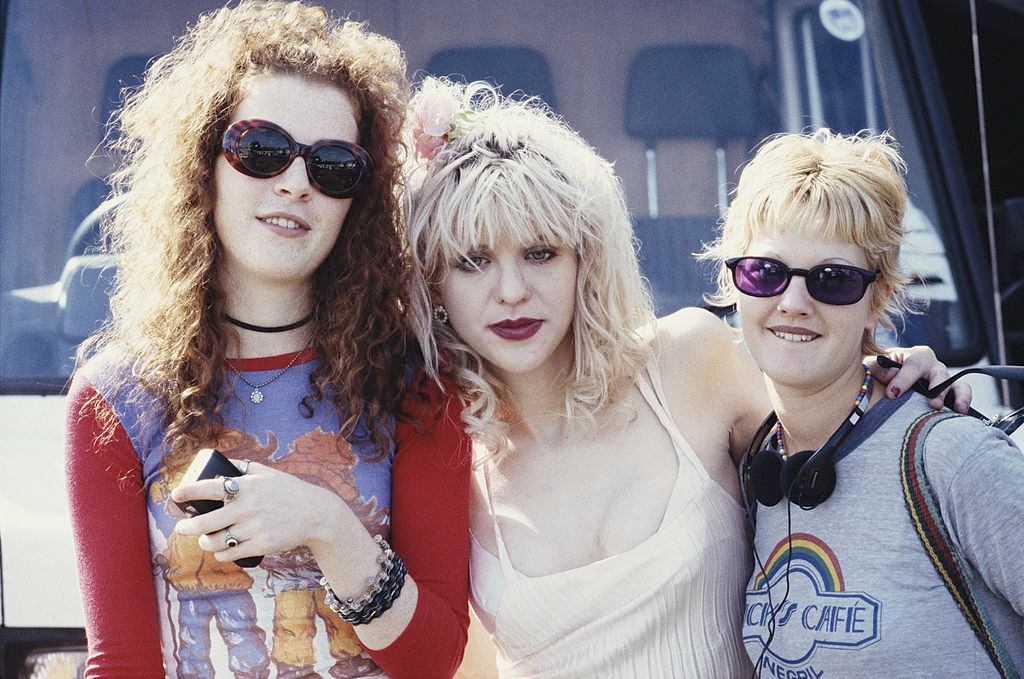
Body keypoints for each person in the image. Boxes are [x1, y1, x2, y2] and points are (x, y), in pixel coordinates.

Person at [404, 79, 967, 677]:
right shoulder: (444, 457)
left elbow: (833, 441)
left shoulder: (688, 361)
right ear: (435, 285)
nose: (512, 291)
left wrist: (889, 377)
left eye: (541, 253)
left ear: (584, 260)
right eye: (473, 261)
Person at [64, 3, 470, 678]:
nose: (294, 182)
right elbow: (123, 663)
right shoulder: (114, 399)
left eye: (334, 165)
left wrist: (329, 526)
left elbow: (434, 658)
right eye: (261, 150)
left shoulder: (417, 389)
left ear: (357, 200)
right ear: (205, 164)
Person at [701, 129, 1023, 677]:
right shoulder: (756, 466)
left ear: (876, 299)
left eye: (833, 280)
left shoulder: (952, 459)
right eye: (766, 272)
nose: (793, 303)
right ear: (734, 283)